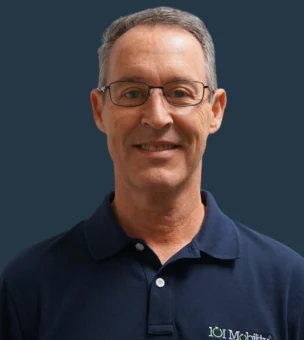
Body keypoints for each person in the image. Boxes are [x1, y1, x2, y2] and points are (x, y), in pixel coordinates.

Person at [1, 6, 303, 340]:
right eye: (132, 93)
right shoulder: (27, 286)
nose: (157, 117)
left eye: (180, 93)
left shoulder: (289, 285)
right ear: (100, 111)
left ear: (214, 111)